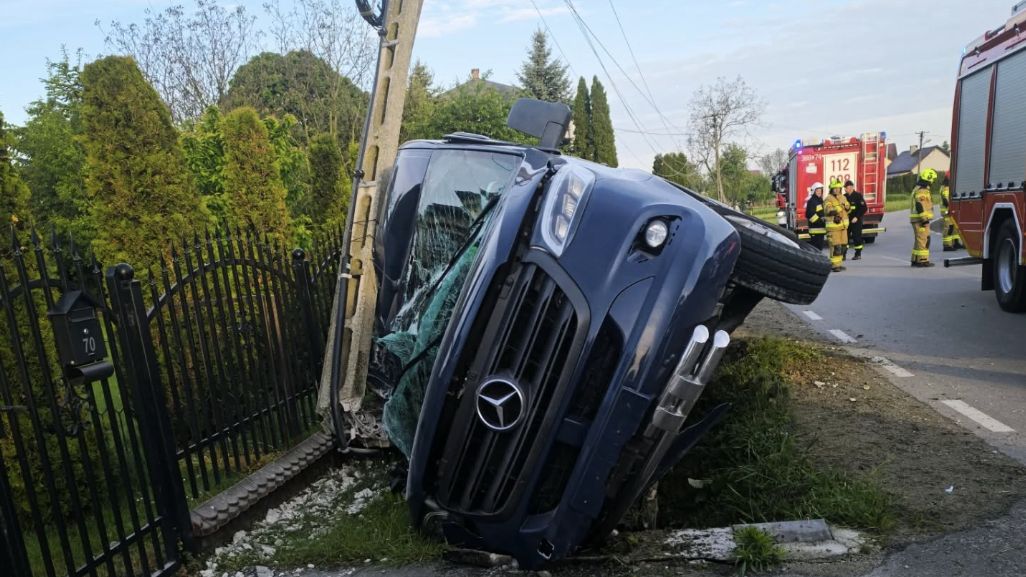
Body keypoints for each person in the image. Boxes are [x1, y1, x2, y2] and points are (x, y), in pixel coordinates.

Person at [910, 168, 937, 267]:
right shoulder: (923, 190)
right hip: (920, 219)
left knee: (919, 240)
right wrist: (924, 219)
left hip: (917, 219)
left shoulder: (917, 188)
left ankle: (915, 259)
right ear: (928, 178)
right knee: (923, 239)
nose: (932, 181)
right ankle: (922, 260)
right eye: (932, 179)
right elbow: (919, 205)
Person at [823, 178, 851, 272]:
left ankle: (839, 264)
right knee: (836, 247)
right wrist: (838, 209)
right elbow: (828, 210)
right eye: (835, 188)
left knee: (843, 246)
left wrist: (848, 207)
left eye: (838, 188)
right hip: (833, 228)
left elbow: (848, 209)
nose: (837, 190)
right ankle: (835, 266)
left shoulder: (843, 197)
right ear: (831, 189)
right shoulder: (828, 198)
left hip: (843, 227)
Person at [940, 174, 964, 251]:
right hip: (947, 211)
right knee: (948, 228)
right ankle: (947, 245)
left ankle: (955, 243)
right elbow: (946, 200)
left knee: (954, 227)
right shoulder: (946, 188)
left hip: (951, 210)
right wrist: (951, 207)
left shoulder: (949, 187)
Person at [844, 180, 867, 260]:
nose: (849, 189)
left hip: (856, 221)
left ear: (853, 187)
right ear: (845, 189)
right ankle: (843, 254)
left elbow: (864, 208)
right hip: (846, 221)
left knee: (856, 237)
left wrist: (857, 217)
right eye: (847, 188)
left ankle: (858, 254)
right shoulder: (844, 197)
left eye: (850, 187)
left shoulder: (858, 196)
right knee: (845, 238)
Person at [804, 182, 827, 250]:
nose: (819, 192)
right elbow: (810, 214)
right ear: (814, 191)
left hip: (821, 230)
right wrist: (820, 221)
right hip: (815, 230)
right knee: (815, 248)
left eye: (820, 190)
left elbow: (821, 213)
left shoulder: (820, 200)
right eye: (817, 191)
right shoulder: (812, 201)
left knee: (819, 248)